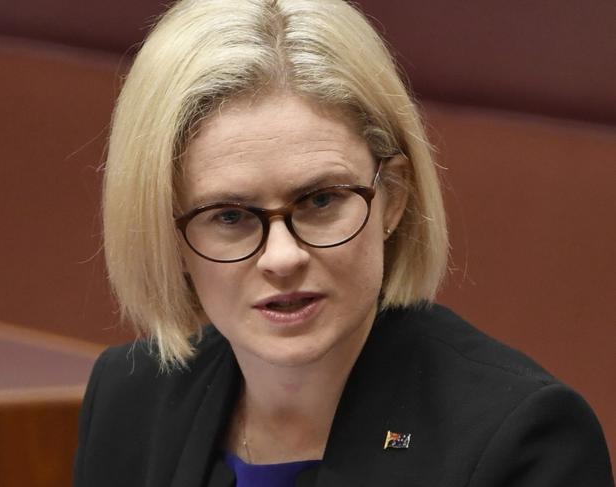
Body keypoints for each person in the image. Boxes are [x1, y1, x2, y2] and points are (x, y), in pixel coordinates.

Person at [74, 0, 613, 486]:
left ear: (392, 198)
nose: (283, 258)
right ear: (169, 236)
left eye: (320, 202)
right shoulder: (130, 397)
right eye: (231, 215)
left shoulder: (521, 440)